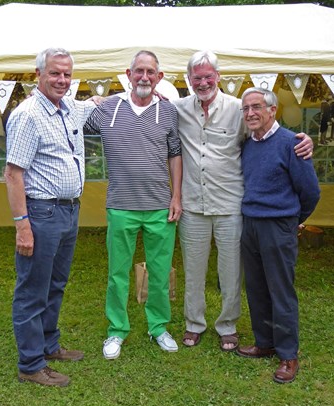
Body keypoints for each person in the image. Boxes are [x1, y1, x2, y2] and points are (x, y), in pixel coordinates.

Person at [172, 51, 313, 351]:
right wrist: (100, 103)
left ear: (218, 77)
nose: (203, 82)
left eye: (209, 76)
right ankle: (193, 323)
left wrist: (304, 141)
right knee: (193, 270)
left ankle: (227, 326)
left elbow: (267, 134)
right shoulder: (178, 109)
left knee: (231, 272)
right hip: (193, 205)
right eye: (197, 77)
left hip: (231, 206)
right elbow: (148, 114)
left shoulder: (239, 109)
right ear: (189, 80)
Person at [4, 47, 97, 387]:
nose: (62, 80)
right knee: (32, 290)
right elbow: (13, 174)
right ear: (38, 74)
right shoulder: (28, 115)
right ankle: (30, 364)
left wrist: (143, 92)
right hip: (41, 213)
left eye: (67, 74)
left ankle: (48, 345)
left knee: (55, 284)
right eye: (55, 73)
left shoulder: (70, 107)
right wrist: (22, 226)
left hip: (69, 209)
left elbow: (96, 105)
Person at [84, 50, 182, 360]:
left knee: (159, 270)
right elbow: (71, 123)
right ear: (128, 74)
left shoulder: (169, 112)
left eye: (150, 72)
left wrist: (176, 196)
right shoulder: (109, 109)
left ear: (159, 77)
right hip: (121, 206)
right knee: (118, 273)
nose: (144, 77)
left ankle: (158, 327)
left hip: (159, 207)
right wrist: (90, 102)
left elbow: (175, 154)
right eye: (138, 71)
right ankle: (116, 330)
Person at [235, 87, 320, 384]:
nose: (250, 113)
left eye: (257, 107)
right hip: (251, 225)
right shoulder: (248, 144)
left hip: (278, 225)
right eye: (246, 109)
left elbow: (311, 191)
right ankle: (265, 342)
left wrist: (294, 220)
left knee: (281, 290)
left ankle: (287, 354)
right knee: (256, 287)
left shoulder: (291, 144)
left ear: (273, 110)